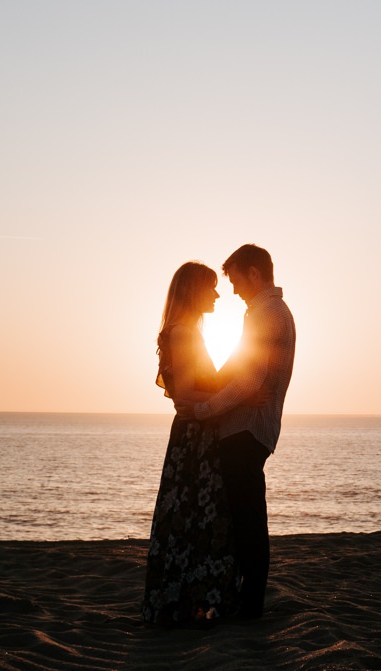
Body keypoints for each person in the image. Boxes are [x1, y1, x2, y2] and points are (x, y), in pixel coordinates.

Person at [189, 243, 296, 619]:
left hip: (247, 432)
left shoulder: (268, 314)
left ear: (254, 273)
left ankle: (251, 607)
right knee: (243, 517)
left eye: (235, 280)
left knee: (248, 519)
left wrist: (204, 409)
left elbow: (251, 380)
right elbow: (240, 372)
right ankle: (244, 599)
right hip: (247, 430)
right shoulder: (264, 313)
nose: (232, 290)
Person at [140, 261, 241, 626]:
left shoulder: (180, 331)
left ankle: (185, 600)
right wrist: (238, 396)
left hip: (193, 432)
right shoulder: (184, 333)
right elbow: (184, 393)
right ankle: (188, 602)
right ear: (193, 291)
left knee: (188, 518)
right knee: (197, 516)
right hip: (194, 436)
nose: (216, 294)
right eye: (210, 287)